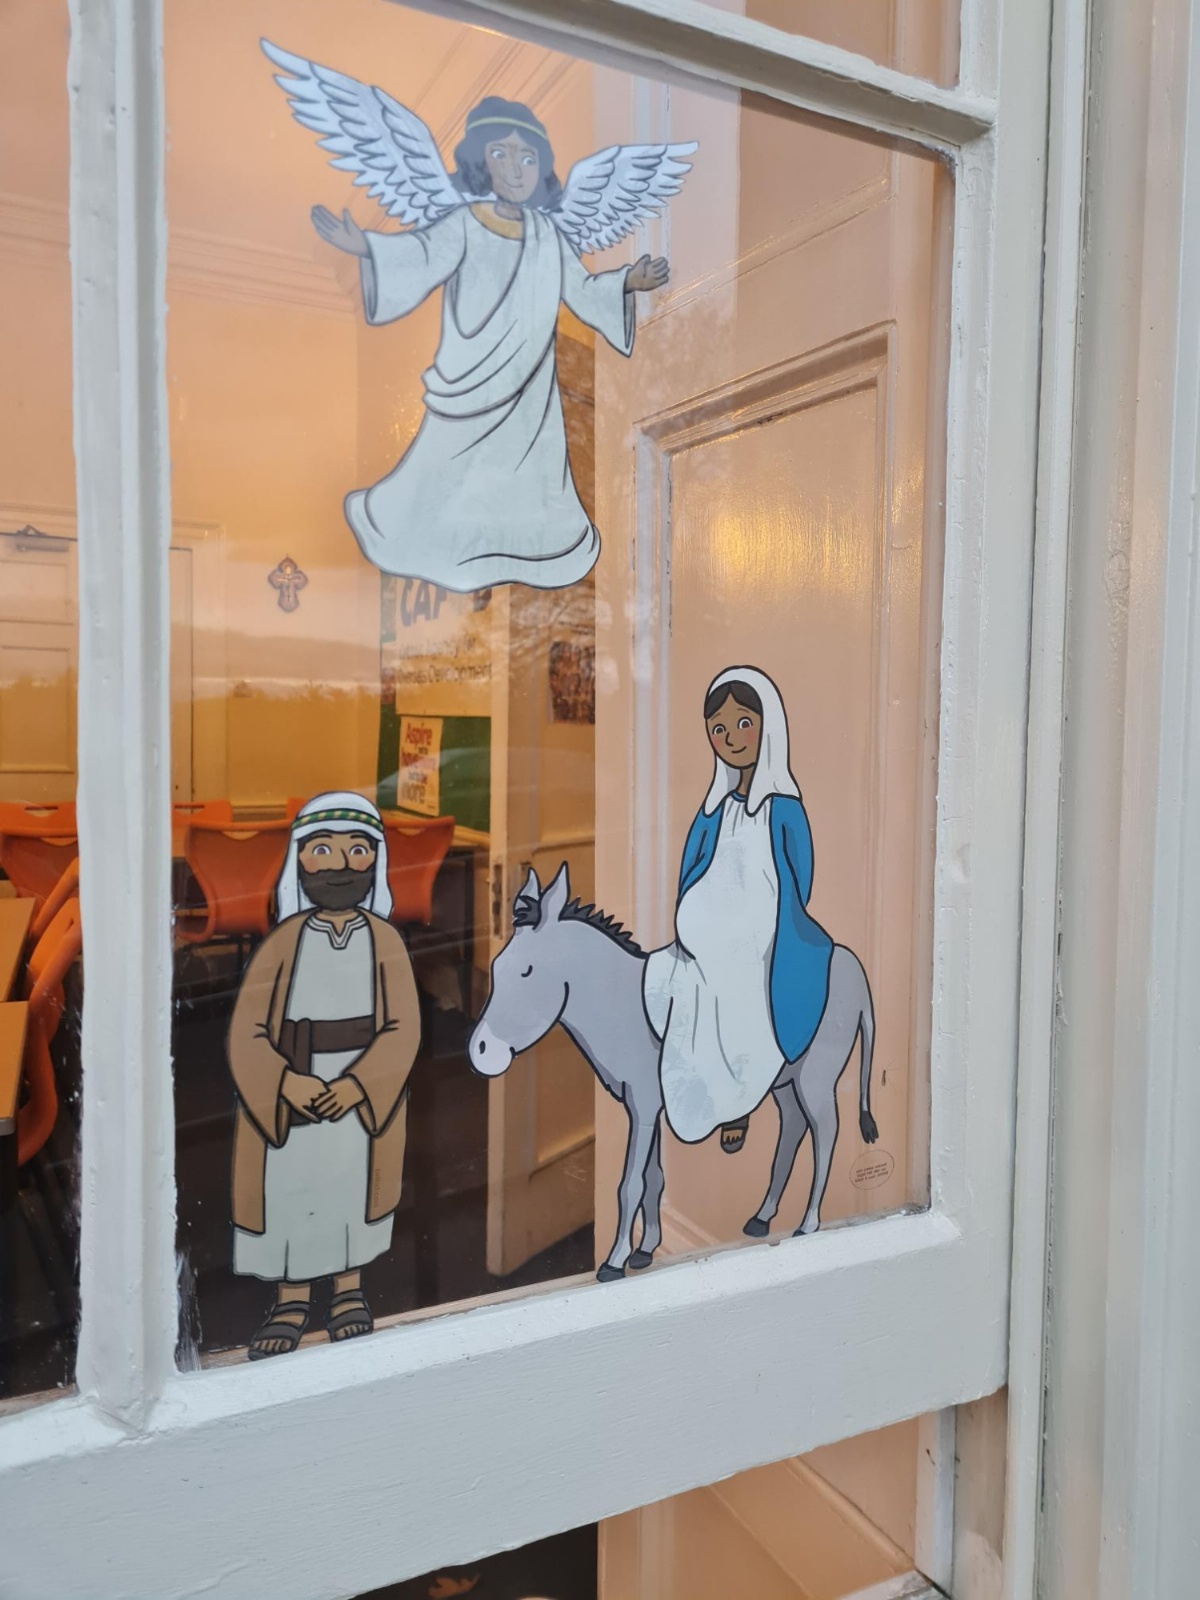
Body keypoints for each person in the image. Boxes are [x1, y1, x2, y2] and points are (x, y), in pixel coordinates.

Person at [310, 96, 670, 592]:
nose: (517, 169)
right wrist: (368, 247)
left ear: (542, 167)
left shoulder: (547, 235)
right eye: (502, 154)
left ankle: (523, 550)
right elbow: (422, 255)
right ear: (481, 162)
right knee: (445, 479)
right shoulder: (464, 223)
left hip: (529, 389)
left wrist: (627, 281)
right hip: (469, 381)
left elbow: (582, 289)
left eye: (528, 158)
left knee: (527, 486)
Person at [227, 791, 420, 1359]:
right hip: (293, 1090)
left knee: (350, 1185)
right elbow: (246, 1031)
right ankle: (290, 1301)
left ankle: (348, 1291)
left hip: (359, 1094)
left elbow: (403, 1026)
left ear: (376, 859)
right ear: (300, 861)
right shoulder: (281, 945)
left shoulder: (385, 941)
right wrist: (285, 1083)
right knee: (292, 1187)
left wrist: (359, 1086)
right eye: (323, 850)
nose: (340, 864)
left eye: (357, 850)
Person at [643, 668, 833, 1151]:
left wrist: (761, 918)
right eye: (719, 729)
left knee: (743, 993)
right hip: (709, 933)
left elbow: (800, 873)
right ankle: (699, 1091)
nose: (730, 738)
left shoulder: (783, 808)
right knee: (679, 985)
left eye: (743, 724)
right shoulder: (715, 808)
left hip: (760, 933)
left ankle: (740, 1100)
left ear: (768, 726)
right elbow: (692, 865)